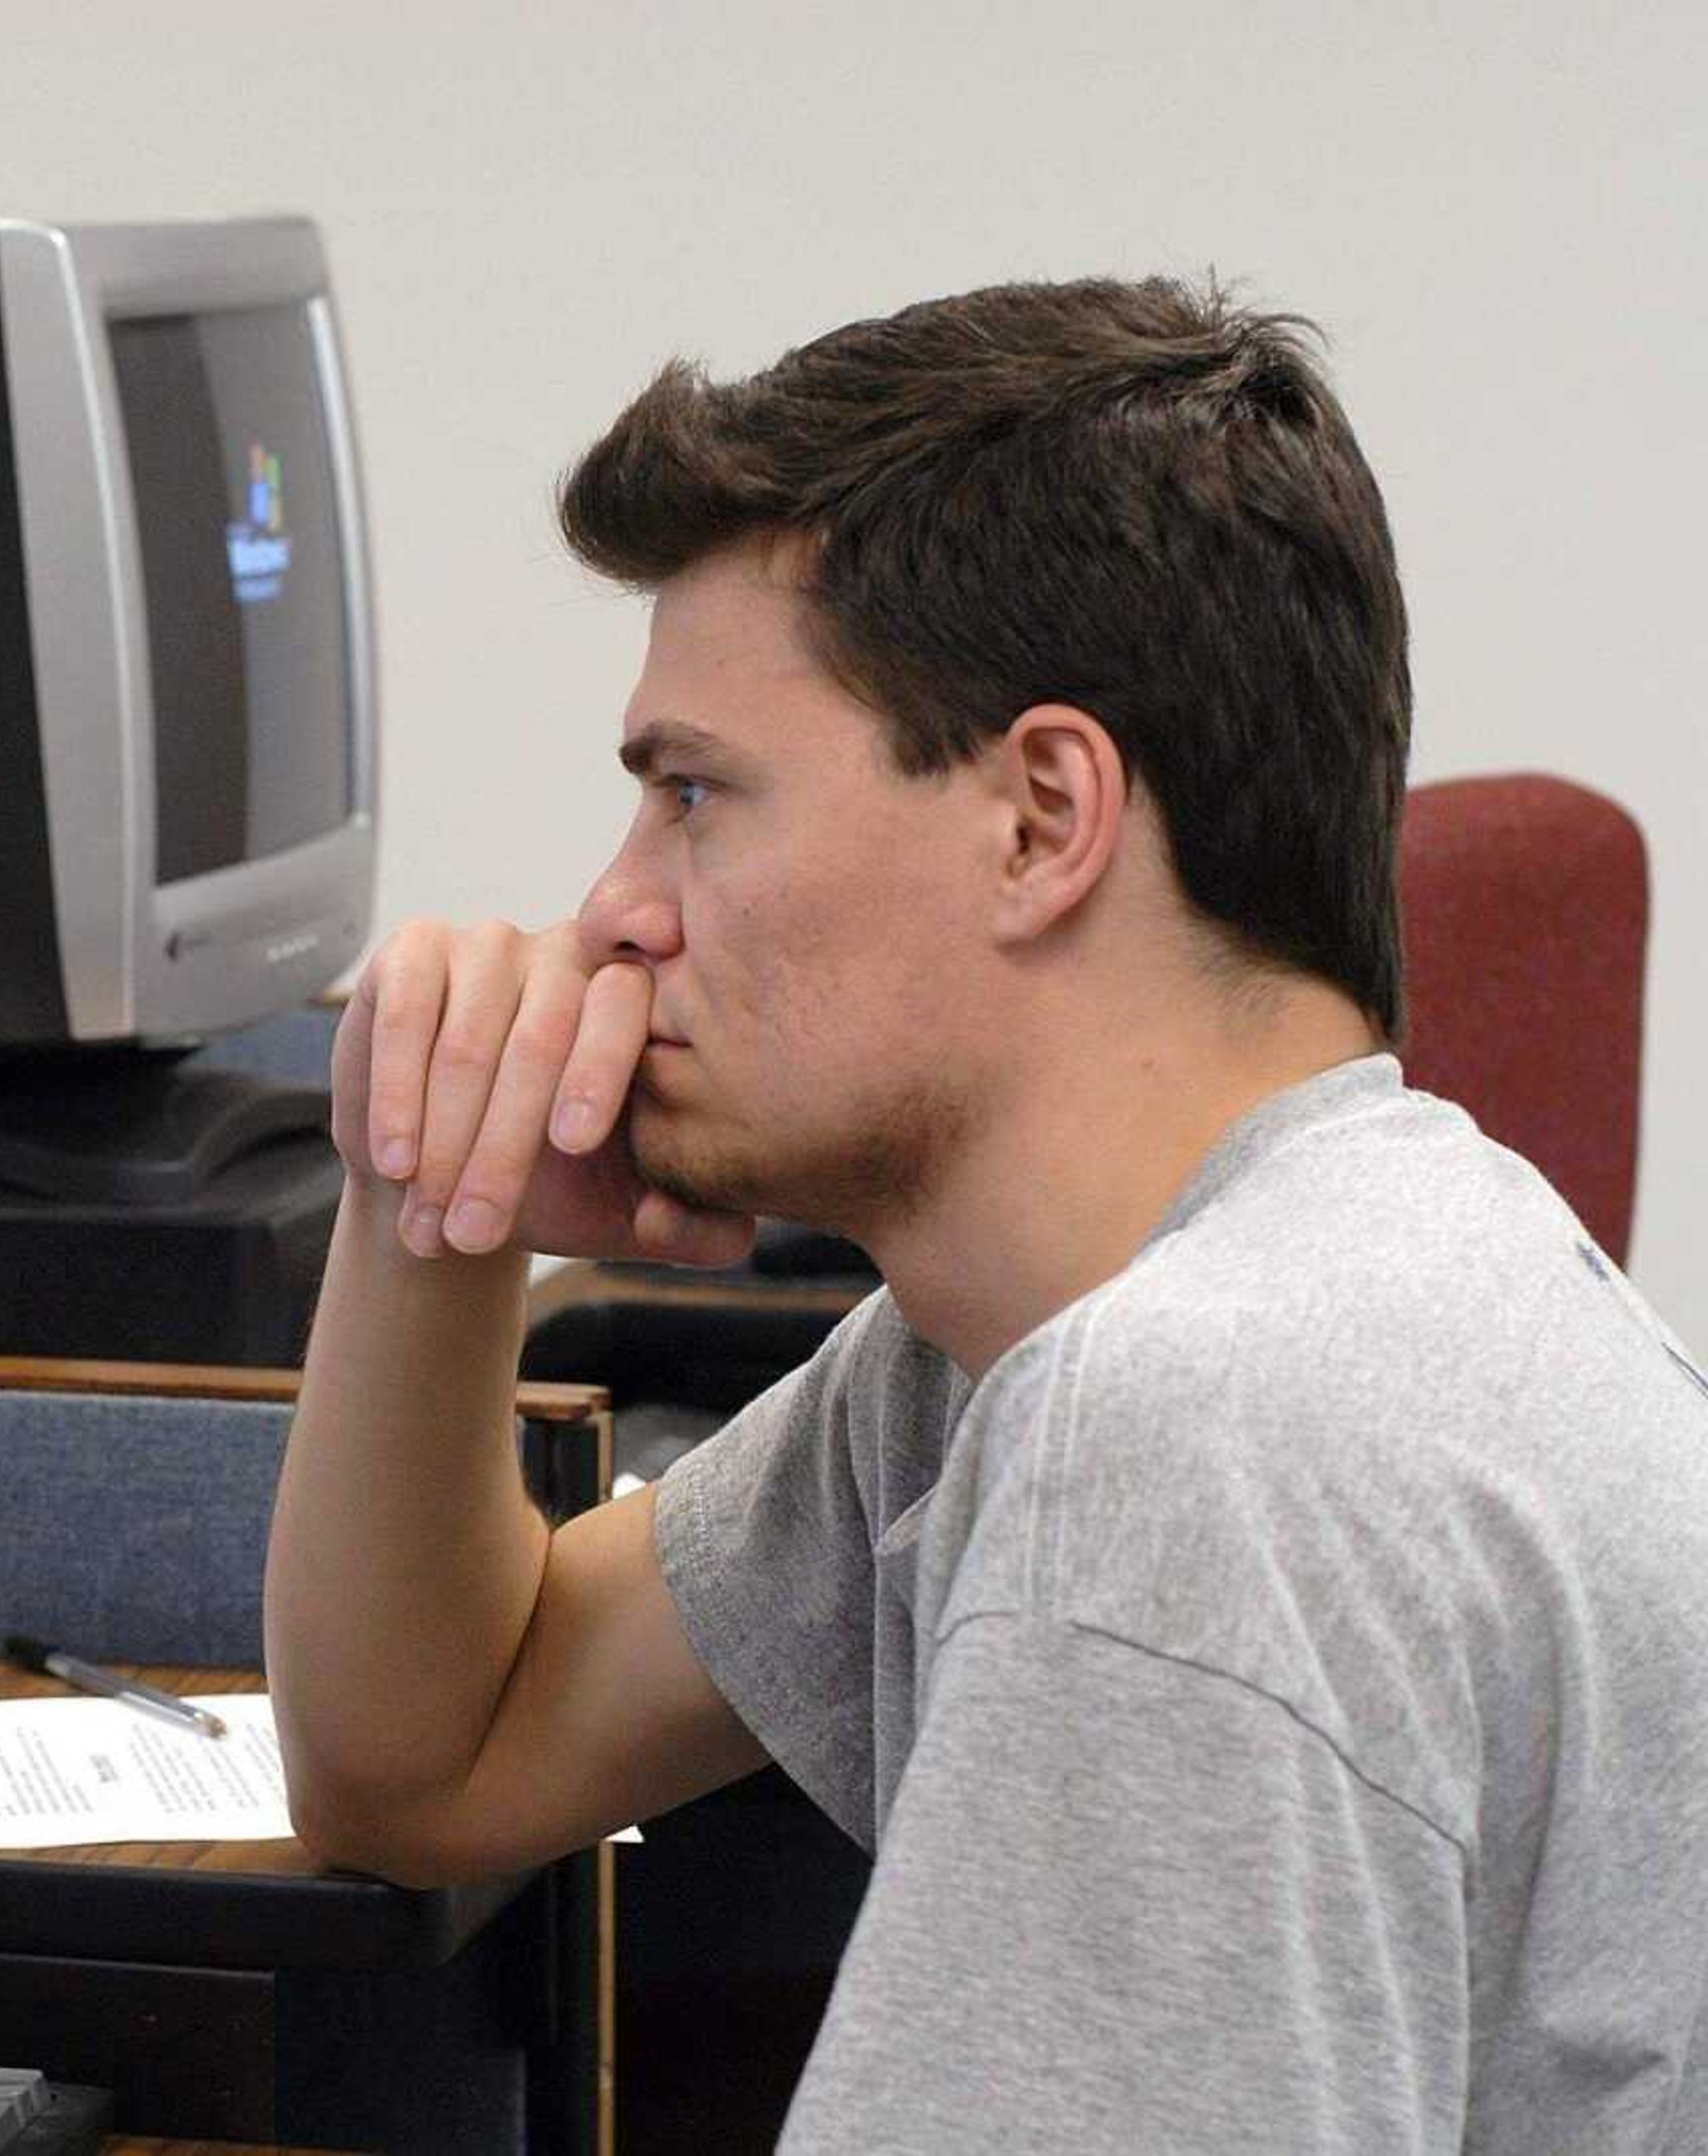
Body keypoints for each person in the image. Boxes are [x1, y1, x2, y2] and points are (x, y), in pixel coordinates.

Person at [263, 276, 1708, 2152]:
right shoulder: (1043, 1342)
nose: (611, 909)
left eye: (695, 795)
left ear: (1041, 819)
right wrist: (435, 1210)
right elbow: (425, 1763)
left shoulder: (1208, 1431)